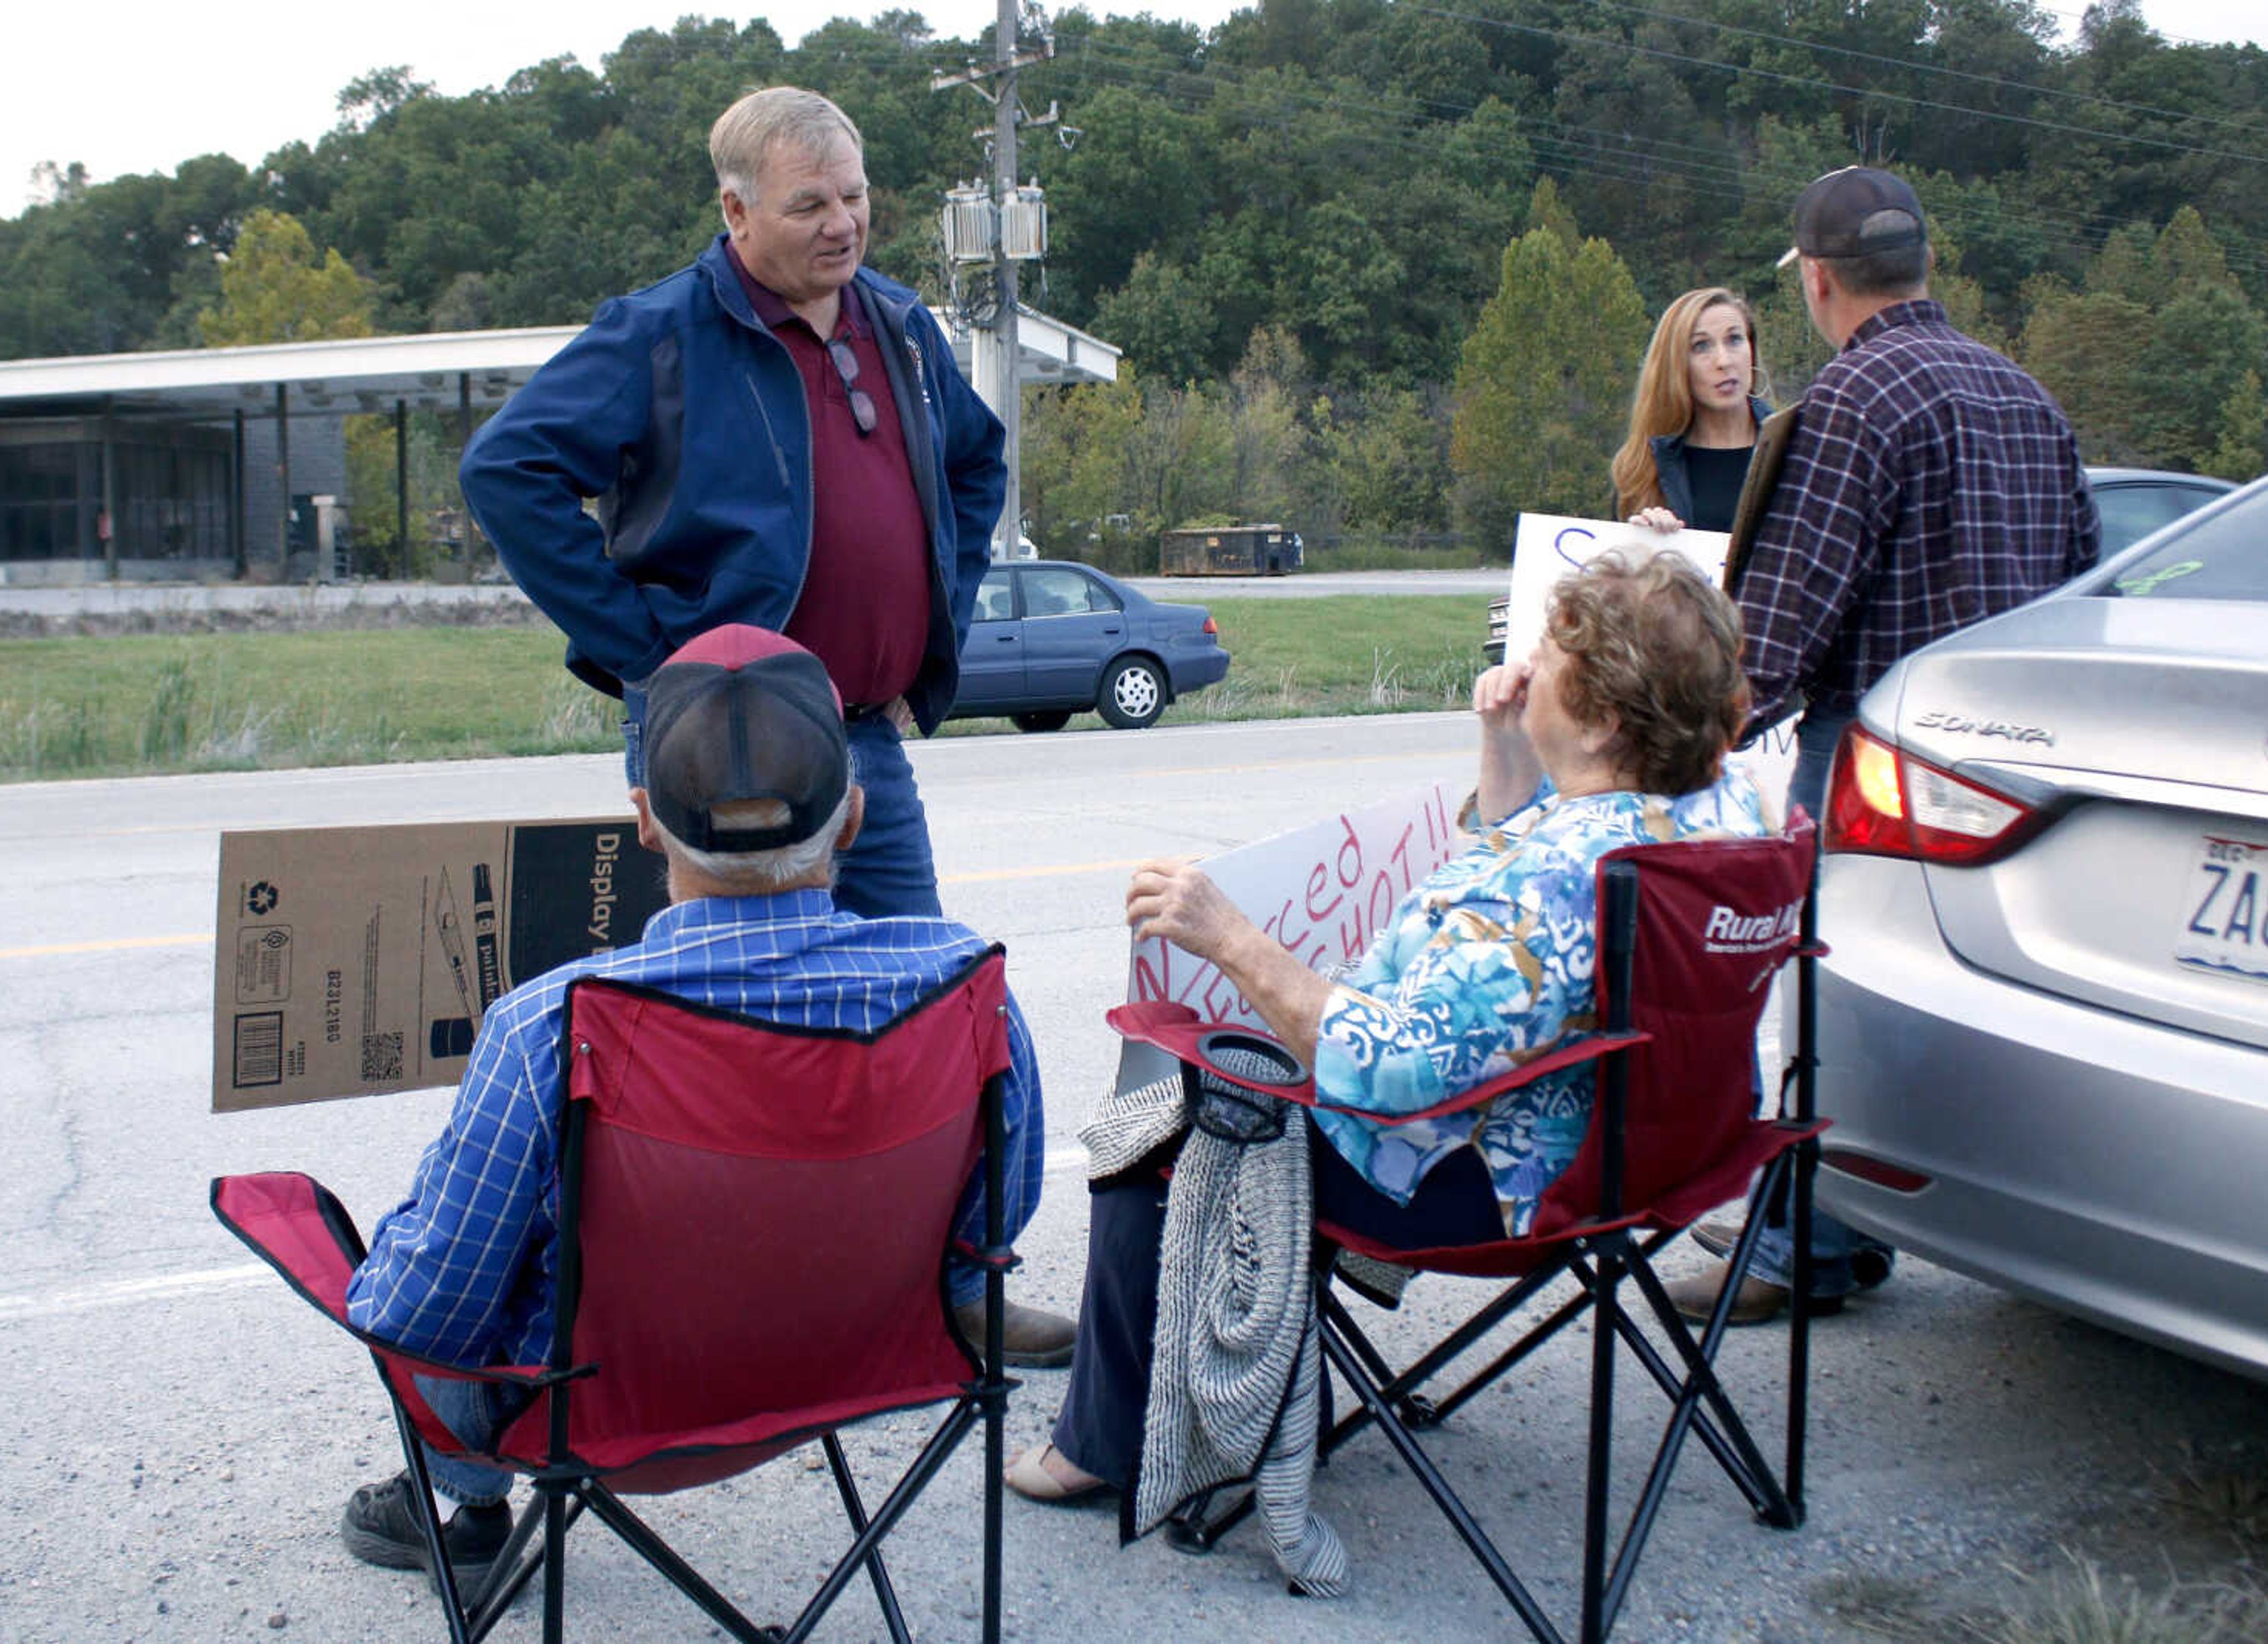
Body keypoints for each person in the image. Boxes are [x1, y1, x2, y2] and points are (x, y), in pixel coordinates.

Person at [1004, 552, 1769, 1507]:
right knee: (1244, 1091)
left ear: (1606, 715)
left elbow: (1387, 1066)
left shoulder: (1554, 877)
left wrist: (1230, 935)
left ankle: (1106, 1444)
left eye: (1552, 648)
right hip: (1656, 1151)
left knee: (1153, 1127)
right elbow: (1528, 939)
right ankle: (1279, 1382)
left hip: (1480, 1184)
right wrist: (1508, 744)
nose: (1526, 658)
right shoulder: (1720, 815)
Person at [333, 625, 1067, 1588]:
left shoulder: (543, 1030)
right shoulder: (970, 987)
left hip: (595, 1415)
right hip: (862, 1371)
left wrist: (361, 1259)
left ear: (643, 820)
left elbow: (419, 1317)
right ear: (851, 817)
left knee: (440, 1278)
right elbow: (988, 1236)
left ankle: (470, 1505)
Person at [1666, 166, 2100, 1329]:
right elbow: (2083, 591)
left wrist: (1678, 737)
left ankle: (1800, 1245)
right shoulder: (2029, 399)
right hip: (2019, 770)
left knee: (1834, 1002)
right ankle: (1847, 1224)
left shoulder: (1855, 401)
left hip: (1879, 760)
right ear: (1922, 263)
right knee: (1950, 999)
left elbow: (1788, 624)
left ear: (1816, 281)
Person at [459, 85, 1005, 926]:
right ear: (737, 210)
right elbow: (504, 469)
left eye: (855, 197)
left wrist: (939, 639)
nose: (843, 223)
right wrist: (645, 652)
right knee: (740, 1011)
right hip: (722, 742)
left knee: (909, 989)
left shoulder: (900, 323)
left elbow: (976, 461)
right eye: (810, 205)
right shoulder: (658, 335)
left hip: (867, 741)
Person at [1612, 287, 1773, 535]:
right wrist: (1649, 542)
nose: (1724, 361)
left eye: (1735, 340)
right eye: (1701, 346)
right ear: (1675, 366)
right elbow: (1615, 569)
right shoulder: (1642, 470)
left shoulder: (1798, 448)